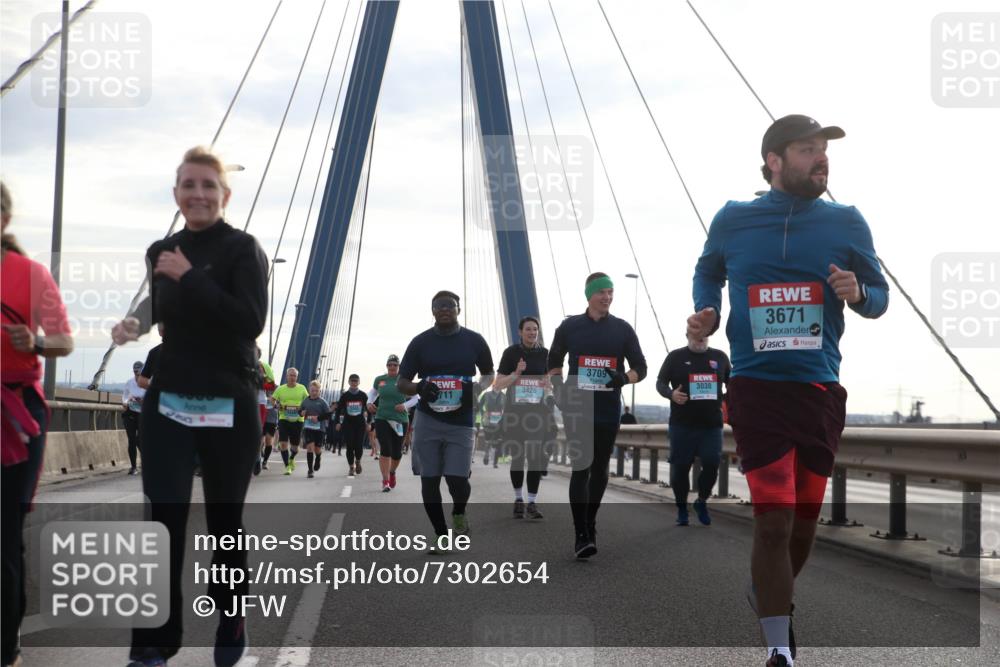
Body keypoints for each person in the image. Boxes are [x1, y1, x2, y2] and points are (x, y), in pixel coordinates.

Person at [689, 114, 889, 667]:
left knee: (802, 524)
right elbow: (708, 271)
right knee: (772, 521)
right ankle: (779, 647)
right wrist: (709, 309)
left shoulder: (847, 222)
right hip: (756, 387)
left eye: (823, 150)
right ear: (774, 161)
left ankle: (770, 594)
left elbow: (879, 296)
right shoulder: (734, 219)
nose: (820, 159)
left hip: (818, 388)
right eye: (807, 150)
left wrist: (858, 293)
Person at [111, 146, 268, 667]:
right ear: (176, 193)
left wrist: (191, 276)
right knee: (161, 519)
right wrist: (134, 323)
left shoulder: (244, 249)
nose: (197, 194)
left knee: (225, 520)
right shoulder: (163, 249)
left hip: (228, 396)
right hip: (170, 398)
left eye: (207, 185)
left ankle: (231, 620)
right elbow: (158, 303)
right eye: (188, 185)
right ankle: (153, 642)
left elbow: (248, 320)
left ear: (225, 194)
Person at [1, 181, 74, 667]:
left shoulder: (29, 274)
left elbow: (65, 342)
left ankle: (6, 647)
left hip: (14, 414)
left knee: (4, 533)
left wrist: (34, 341)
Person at [548, 272, 646, 559]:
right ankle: (581, 534)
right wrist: (558, 389)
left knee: (600, 468)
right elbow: (553, 362)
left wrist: (623, 378)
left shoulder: (623, 329)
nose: (607, 297)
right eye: (602, 292)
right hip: (577, 405)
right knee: (581, 467)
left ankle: (590, 521)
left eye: (611, 292)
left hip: (607, 408)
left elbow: (641, 366)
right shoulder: (569, 327)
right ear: (589, 295)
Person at [398, 291, 494, 552]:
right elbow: (402, 381)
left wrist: (476, 389)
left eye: (449, 306)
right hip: (428, 420)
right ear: (432, 311)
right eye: (439, 306)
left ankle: (459, 513)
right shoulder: (420, 343)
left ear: (458, 310)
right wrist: (419, 388)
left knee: (457, 481)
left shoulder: (474, 341)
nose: (444, 310)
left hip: (461, 421)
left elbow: (488, 374)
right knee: (429, 480)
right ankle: (441, 536)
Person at [656, 332, 731, 526]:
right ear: (688, 335)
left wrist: (726, 398)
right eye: (697, 334)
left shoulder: (720, 357)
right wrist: (671, 394)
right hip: (682, 425)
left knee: (712, 463)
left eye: (705, 334)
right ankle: (682, 509)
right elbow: (660, 383)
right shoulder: (675, 357)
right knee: (680, 469)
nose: (701, 337)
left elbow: (732, 384)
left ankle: (701, 501)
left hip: (712, 425)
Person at [493, 316, 555, 520]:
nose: (532, 332)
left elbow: (550, 384)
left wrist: (548, 387)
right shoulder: (511, 353)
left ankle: (532, 502)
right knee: (518, 458)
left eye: (535, 329)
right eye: (528, 329)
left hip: (537, 415)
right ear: (520, 332)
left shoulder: (546, 355)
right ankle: (518, 499)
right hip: (515, 414)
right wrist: (516, 373)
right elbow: (498, 385)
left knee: (535, 458)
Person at [368, 356, 418, 492]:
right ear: (386, 366)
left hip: (400, 420)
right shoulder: (380, 380)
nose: (392, 367)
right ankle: (385, 481)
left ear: (398, 366)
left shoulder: (403, 380)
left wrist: (405, 405)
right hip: (382, 417)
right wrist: (369, 402)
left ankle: (392, 472)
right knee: (386, 449)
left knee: (396, 453)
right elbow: (373, 392)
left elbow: (416, 398)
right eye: (389, 365)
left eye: (394, 365)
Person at [272, 368, 308, 476]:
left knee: (295, 448)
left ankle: (292, 458)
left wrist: (304, 410)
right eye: (290, 375)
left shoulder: (302, 388)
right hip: (284, 419)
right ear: (286, 376)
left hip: (298, 420)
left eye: (294, 376)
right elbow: (272, 399)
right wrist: (276, 405)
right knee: (283, 444)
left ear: (297, 377)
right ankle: (287, 466)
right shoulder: (280, 389)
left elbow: (307, 401)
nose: (292, 377)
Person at [335, 374, 371, 478]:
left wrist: (369, 422)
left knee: (358, 445)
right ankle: (351, 467)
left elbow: (369, 410)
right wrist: (337, 422)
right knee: (349, 446)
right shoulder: (345, 396)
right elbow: (338, 410)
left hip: (360, 424)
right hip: (348, 424)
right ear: (349, 382)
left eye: (356, 381)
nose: (354, 383)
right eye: (352, 381)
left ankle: (358, 461)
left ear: (359, 382)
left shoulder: (363, 395)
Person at [299, 380, 332, 478]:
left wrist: (318, 418)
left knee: (317, 449)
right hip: (308, 427)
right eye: (312, 390)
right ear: (309, 390)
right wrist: (301, 413)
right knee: (310, 447)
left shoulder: (322, 402)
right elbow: (300, 411)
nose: (314, 393)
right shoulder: (305, 401)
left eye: (316, 391)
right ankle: (310, 470)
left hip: (320, 429)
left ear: (319, 391)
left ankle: (318, 457)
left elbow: (329, 414)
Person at [121, 361, 147, 475]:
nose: (137, 374)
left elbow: (153, 397)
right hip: (130, 413)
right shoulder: (129, 383)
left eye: (139, 371)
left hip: (143, 414)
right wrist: (125, 402)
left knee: (140, 439)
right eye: (135, 371)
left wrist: (143, 401)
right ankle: (133, 467)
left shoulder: (147, 383)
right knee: (131, 439)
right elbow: (125, 396)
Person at [253, 347, 275, 476]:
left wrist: (257, 382)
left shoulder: (263, 366)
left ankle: (256, 460)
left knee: (257, 433)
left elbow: (271, 384)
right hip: (242, 400)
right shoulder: (240, 363)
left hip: (259, 403)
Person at [476, 384, 505, 467]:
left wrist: (504, 417)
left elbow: (506, 408)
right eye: (496, 385)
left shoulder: (503, 396)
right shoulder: (486, 394)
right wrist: (483, 413)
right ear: (493, 386)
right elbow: (479, 405)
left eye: (499, 386)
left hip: (499, 420)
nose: (497, 387)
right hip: (488, 420)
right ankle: (486, 454)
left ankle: (495, 462)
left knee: (498, 439)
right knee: (488, 439)